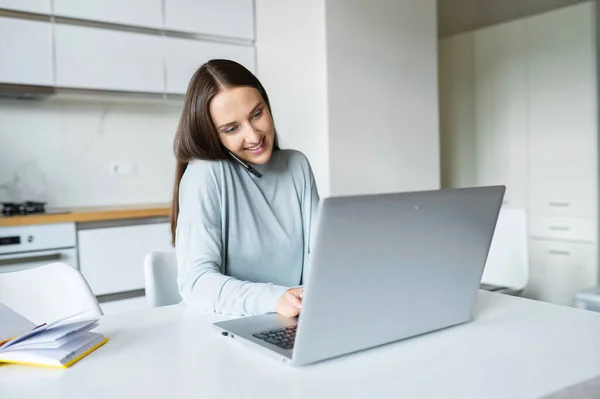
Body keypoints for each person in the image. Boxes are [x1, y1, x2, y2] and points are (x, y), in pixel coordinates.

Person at [170, 59, 320, 318]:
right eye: (231, 128)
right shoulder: (205, 174)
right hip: (227, 324)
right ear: (212, 135)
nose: (253, 136)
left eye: (257, 114)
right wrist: (277, 299)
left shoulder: (297, 166)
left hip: (294, 320)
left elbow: (320, 258)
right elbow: (195, 283)